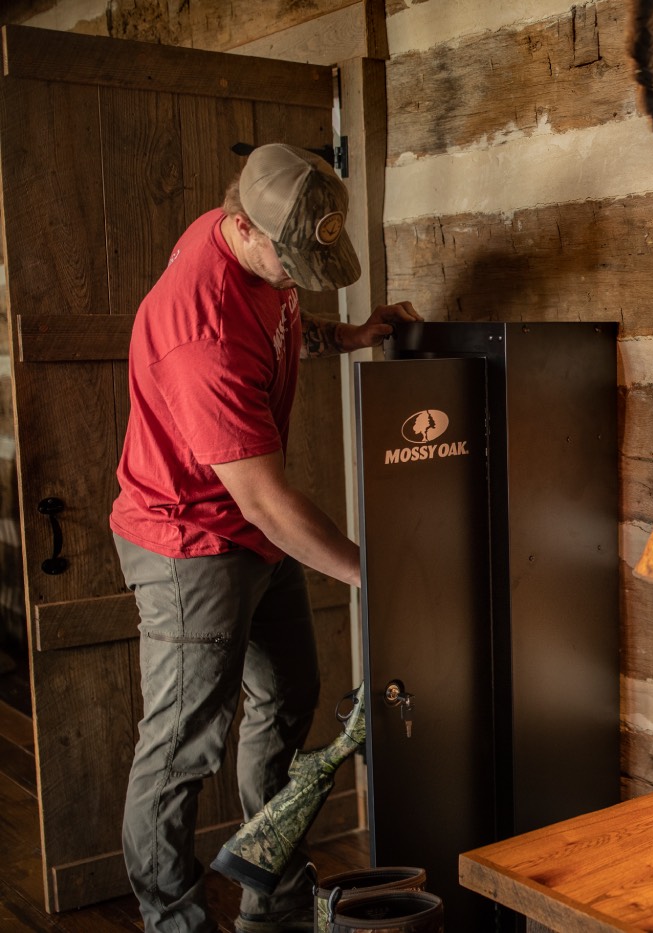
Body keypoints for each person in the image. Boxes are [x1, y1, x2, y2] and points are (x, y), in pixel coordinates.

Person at [109, 143, 421, 933]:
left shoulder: (251, 250)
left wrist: (352, 336)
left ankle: (269, 891)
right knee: (182, 748)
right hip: (189, 543)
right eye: (289, 266)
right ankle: (174, 919)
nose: (294, 280)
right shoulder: (200, 327)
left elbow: (284, 323)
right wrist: (373, 574)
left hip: (247, 530)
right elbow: (270, 504)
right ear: (242, 226)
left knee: (288, 696)